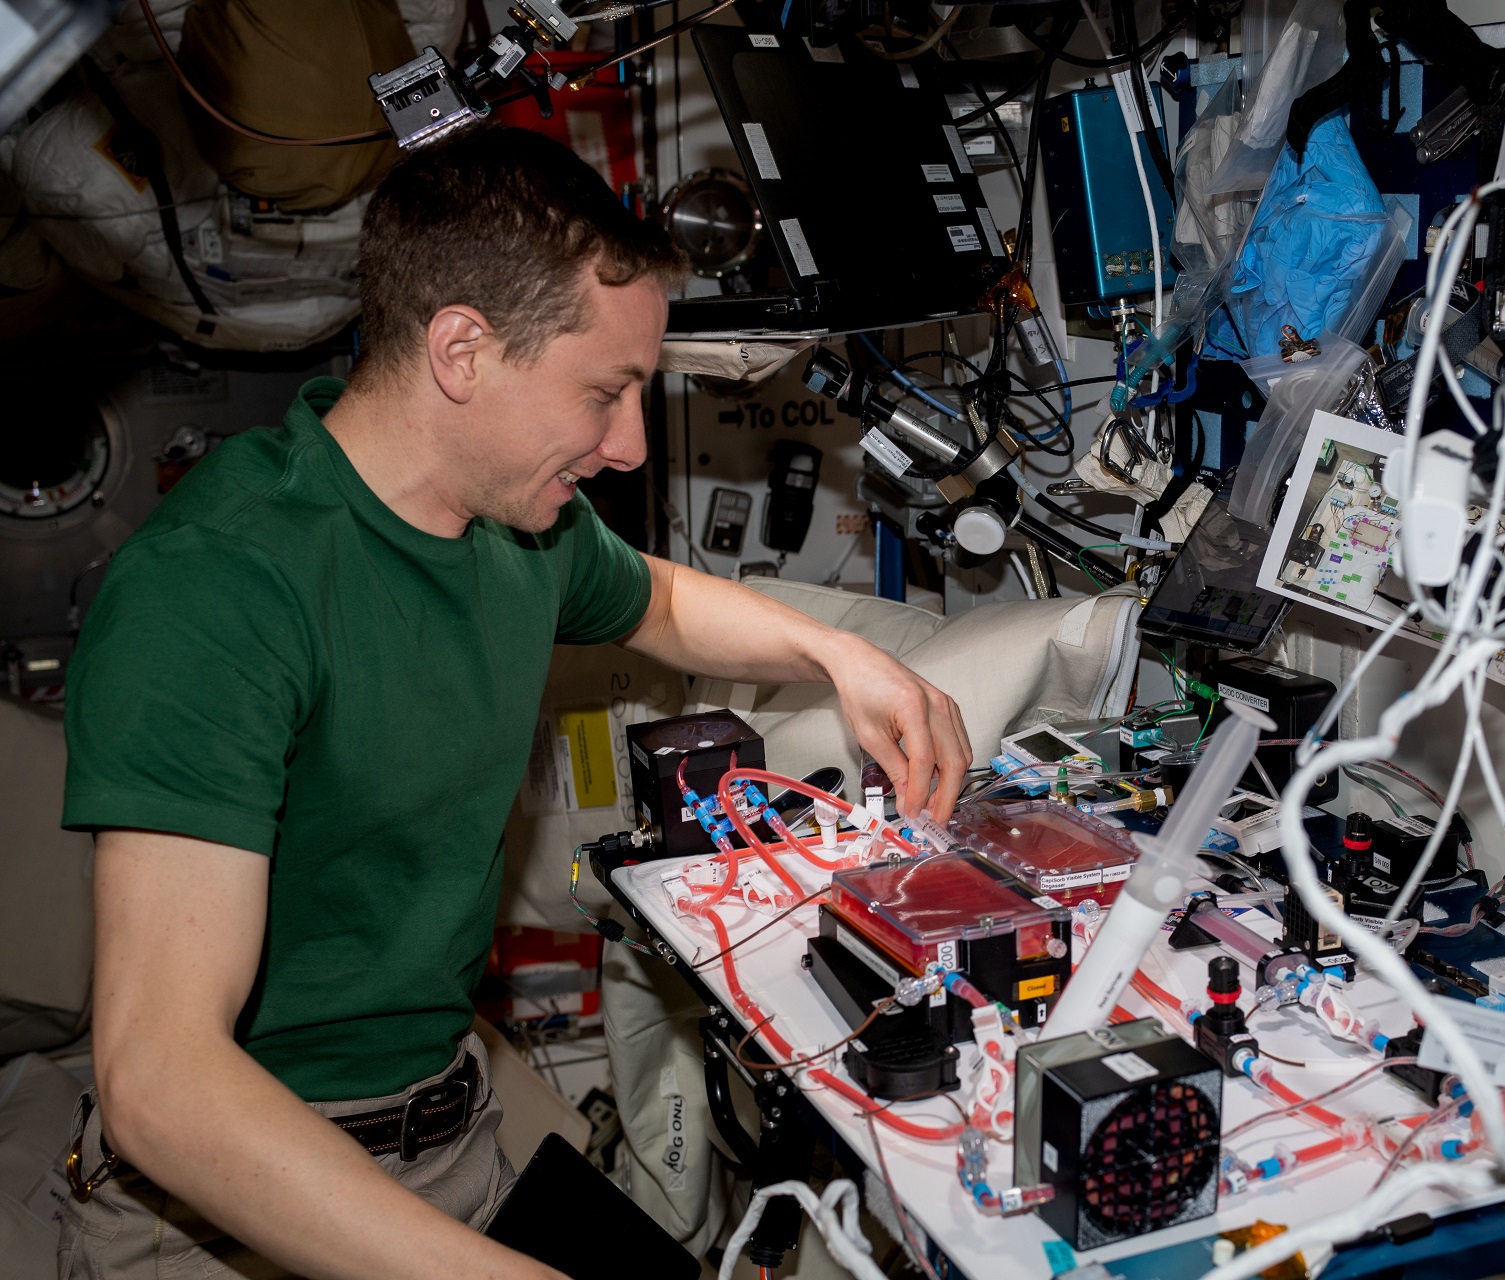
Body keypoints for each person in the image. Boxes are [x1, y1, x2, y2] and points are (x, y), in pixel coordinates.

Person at [58, 127, 971, 1280]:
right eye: (607, 392)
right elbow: (161, 1084)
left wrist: (845, 655)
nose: (631, 446)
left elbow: (662, 602)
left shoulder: (514, 526)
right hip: (223, 1200)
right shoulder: (219, 589)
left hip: (449, 1134)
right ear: (462, 350)